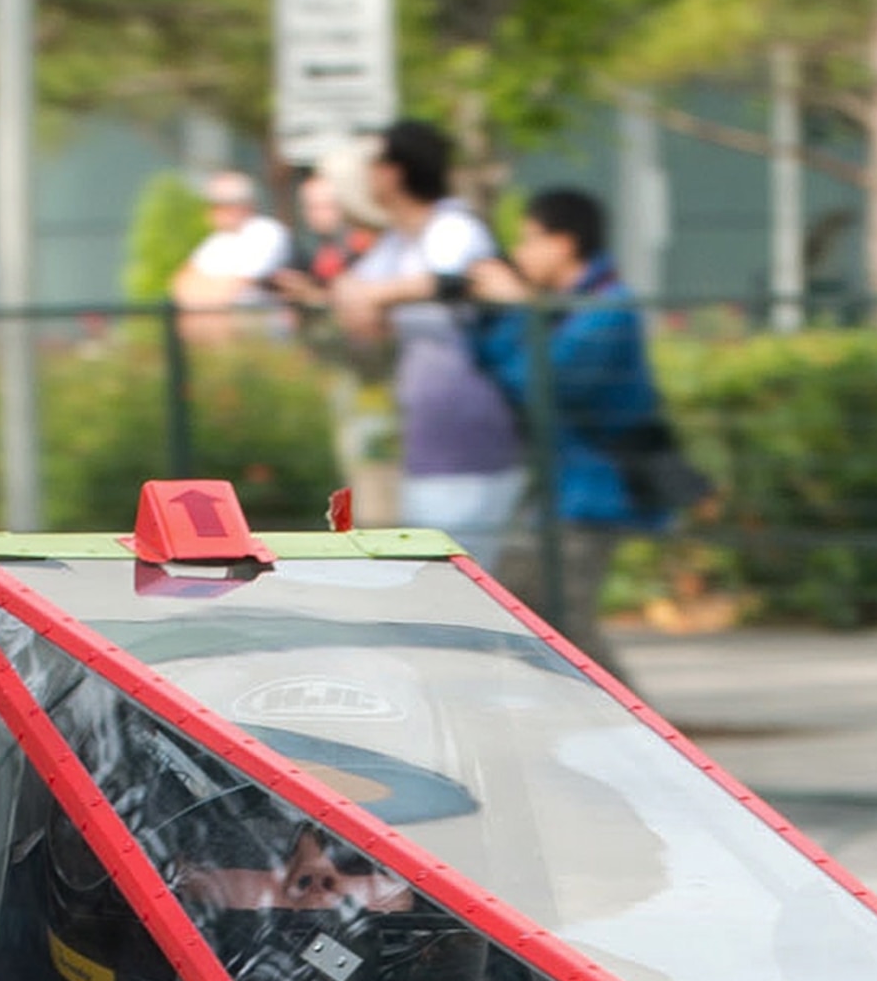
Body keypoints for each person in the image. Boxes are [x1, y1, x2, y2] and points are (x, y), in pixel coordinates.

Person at [465, 186, 679, 679]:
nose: (520, 255)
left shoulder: (608, 308)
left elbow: (543, 381)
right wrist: (489, 313)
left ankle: (637, 731)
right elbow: (501, 366)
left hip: (597, 489)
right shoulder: (561, 306)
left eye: (529, 240)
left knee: (565, 619)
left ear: (563, 243)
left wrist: (520, 308)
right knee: (528, 605)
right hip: (562, 488)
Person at [326, 120, 527, 563]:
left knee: (461, 579)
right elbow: (356, 302)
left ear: (393, 172)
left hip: (473, 437)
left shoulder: (454, 228)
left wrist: (377, 296)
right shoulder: (397, 243)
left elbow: (451, 279)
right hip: (426, 441)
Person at [170, 171, 295, 334]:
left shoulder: (267, 232)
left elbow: (235, 287)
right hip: (214, 333)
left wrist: (205, 290)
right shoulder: (215, 242)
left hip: (259, 333)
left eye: (216, 205)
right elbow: (181, 284)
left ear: (239, 205)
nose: (209, 212)